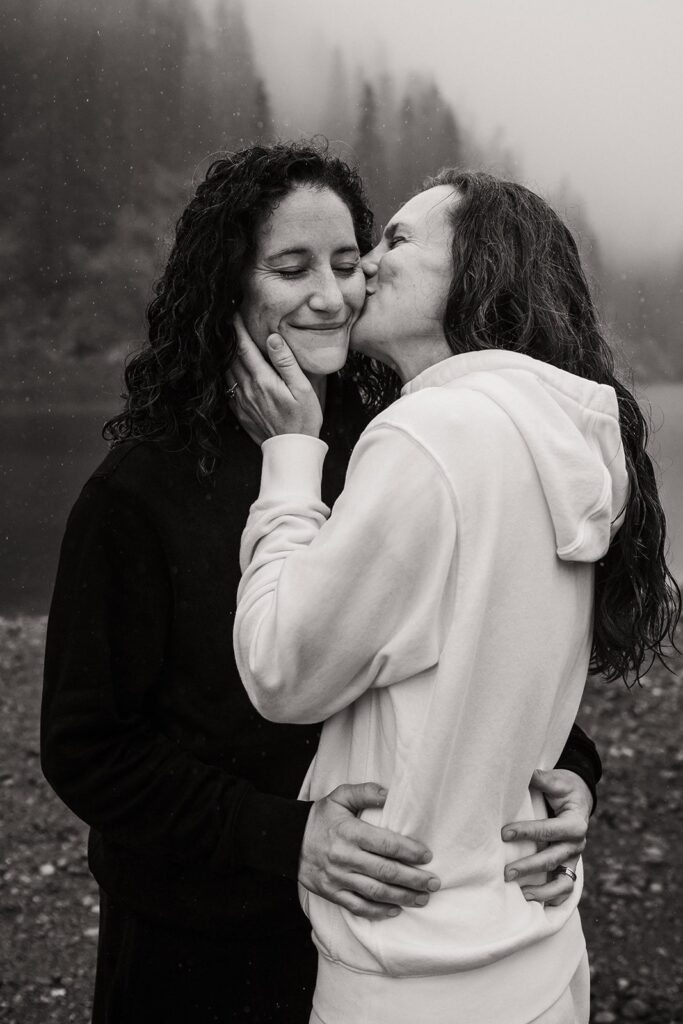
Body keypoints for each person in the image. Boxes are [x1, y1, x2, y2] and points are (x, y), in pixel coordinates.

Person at [41, 145, 602, 1024]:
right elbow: (87, 747)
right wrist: (283, 835)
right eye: (291, 268)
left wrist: (565, 772)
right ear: (227, 284)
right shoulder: (139, 491)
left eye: (348, 264)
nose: (333, 295)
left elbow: (486, 644)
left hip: (381, 943)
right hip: (202, 944)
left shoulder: (403, 448)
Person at [232, 169, 680, 1024]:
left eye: (396, 241)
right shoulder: (569, 438)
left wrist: (291, 459)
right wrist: (572, 776)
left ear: (477, 272)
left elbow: (281, 671)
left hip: (413, 962)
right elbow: (496, 671)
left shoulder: (429, 431)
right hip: (536, 938)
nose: (366, 264)